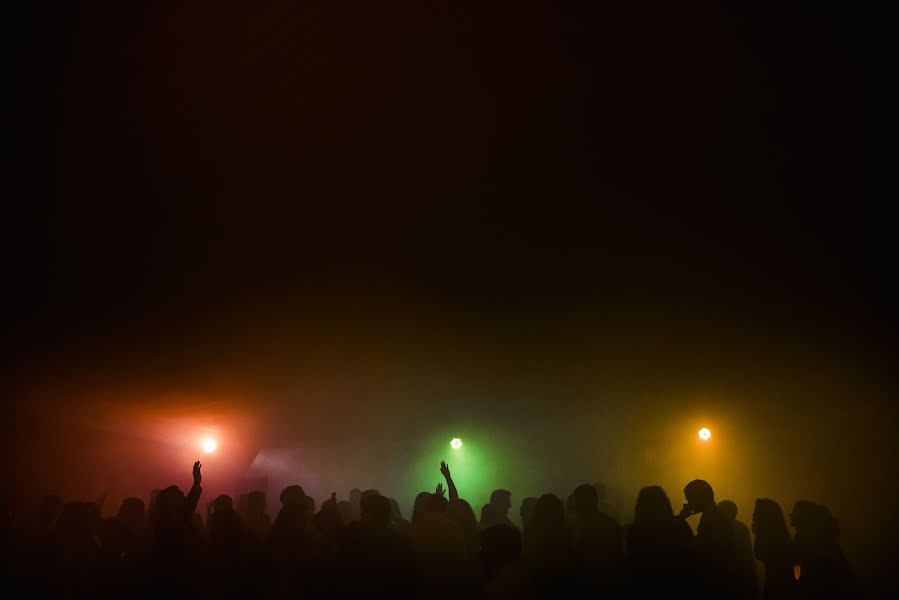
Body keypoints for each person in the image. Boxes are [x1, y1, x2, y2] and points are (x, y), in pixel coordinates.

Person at [626, 485, 693, 598]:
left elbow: (632, 562)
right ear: (665, 503)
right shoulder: (679, 525)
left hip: (645, 588)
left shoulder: (634, 531)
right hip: (676, 587)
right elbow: (691, 555)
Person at [679, 479, 737, 596]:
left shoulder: (714, 518)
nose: (688, 503)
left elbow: (704, 549)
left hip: (715, 584)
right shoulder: (714, 515)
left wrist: (680, 521)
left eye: (689, 499)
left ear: (698, 498)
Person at [570, 483, 623, 596]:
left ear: (590, 502)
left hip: (596, 585)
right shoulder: (609, 524)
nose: (576, 507)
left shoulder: (580, 527)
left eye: (579, 502)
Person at [752, 498, 796, 600]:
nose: (753, 515)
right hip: (785, 583)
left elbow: (760, 554)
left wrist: (758, 534)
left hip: (776, 583)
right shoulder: (782, 534)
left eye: (756, 512)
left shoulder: (768, 535)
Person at [719, 499, 759, 600]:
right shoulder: (741, 527)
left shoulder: (727, 528)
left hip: (734, 577)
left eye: (719, 511)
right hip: (744, 576)